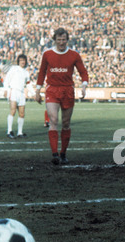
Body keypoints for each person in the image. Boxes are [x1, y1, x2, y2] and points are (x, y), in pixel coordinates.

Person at [35, 27, 89, 165]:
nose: (61, 42)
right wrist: (37, 90)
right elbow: (41, 72)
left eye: (63, 39)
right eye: (59, 40)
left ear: (67, 40)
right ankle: (54, 154)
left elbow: (83, 71)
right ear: (55, 40)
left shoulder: (74, 55)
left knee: (65, 123)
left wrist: (84, 85)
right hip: (52, 89)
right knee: (53, 120)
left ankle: (63, 153)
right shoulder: (47, 54)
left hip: (67, 90)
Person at [3, 54, 30, 139]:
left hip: (21, 94)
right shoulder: (14, 69)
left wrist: (34, 94)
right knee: (13, 111)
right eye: (21, 60)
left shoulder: (26, 72)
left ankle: (19, 132)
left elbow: (28, 84)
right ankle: (9, 131)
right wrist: (6, 90)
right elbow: (7, 79)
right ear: (18, 61)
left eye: (24, 60)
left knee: (22, 114)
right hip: (13, 91)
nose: (23, 61)